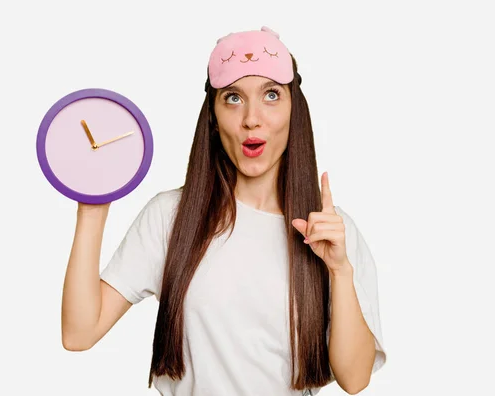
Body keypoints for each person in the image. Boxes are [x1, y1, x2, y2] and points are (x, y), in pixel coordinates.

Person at [61, 26, 387, 396]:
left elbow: (355, 378)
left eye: (271, 95)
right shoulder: (171, 217)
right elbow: (79, 333)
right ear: (213, 118)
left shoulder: (330, 232)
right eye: (233, 98)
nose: (252, 118)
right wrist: (92, 205)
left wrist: (339, 271)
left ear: (294, 110)